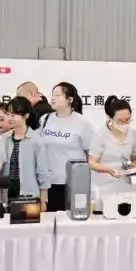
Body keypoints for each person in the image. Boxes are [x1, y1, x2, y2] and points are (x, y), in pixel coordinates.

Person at [38, 82, 93, 211]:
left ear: (70, 99)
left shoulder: (83, 123)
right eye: (52, 95)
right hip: (48, 183)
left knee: (72, 219)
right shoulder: (45, 119)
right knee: (49, 219)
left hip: (73, 182)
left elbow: (91, 154)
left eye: (57, 95)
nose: (52, 98)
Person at [0, 97, 50, 209]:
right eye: (8, 114)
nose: (10, 118)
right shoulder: (4, 139)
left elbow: (43, 172)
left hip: (29, 194)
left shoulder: (37, 141)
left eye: (14, 115)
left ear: (26, 116)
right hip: (7, 194)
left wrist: (43, 200)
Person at [88, 96, 136, 195]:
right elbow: (92, 163)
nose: (124, 124)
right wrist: (109, 170)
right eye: (120, 121)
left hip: (124, 185)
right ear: (110, 118)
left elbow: (135, 159)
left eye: (127, 120)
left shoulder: (133, 134)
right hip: (102, 186)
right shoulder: (100, 135)